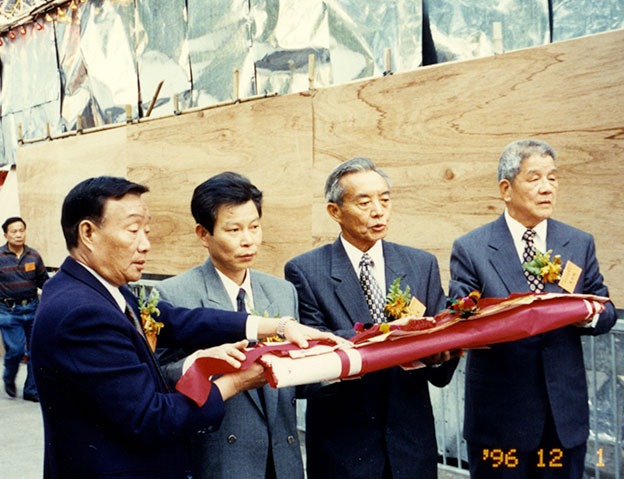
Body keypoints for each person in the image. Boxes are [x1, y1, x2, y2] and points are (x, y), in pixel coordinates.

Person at [30, 176, 338, 479]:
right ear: (88, 232)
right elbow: (151, 417)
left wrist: (278, 325)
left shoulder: (106, 289)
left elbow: (181, 320)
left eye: (146, 231)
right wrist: (236, 382)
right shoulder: (81, 312)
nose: (145, 245)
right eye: (133, 231)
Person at [449, 139, 617, 479]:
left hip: (563, 417)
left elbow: (605, 307)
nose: (547, 189)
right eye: (535, 178)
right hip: (500, 419)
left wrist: (587, 313)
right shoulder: (472, 249)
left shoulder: (577, 242)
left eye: (553, 178)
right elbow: (458, 315)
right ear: (506, 188)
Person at [285, 157, 460, 479]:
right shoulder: (306, 272)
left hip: (411, 442)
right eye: (364, 202)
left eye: (385, 199)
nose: (378, 211)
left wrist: (441, 355)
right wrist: (388, 335)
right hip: (346, 445)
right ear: (334, 212)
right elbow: (315, 348)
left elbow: (441, 352)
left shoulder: (421, 265)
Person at [156, 172, 304, 479]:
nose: (248, 240)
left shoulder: (281, 291)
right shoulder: (174, 294)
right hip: (222, 460)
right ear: (203, 233)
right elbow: (162, 377)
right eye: (233, 229)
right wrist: (208, 363)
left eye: (254, 227)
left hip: (283, 459)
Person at [0, 216, 48, 402]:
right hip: (8, 311)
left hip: (33, 308)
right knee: (16, 351)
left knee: (36, 350)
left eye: (22, 230)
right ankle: (9, 377)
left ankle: (31, 389)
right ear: (6, 235)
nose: (19, 234)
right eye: (14, 231)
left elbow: (44, 282)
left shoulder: (34, 256)